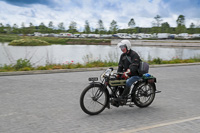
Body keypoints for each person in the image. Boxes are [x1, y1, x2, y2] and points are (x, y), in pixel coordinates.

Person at [116, 40, 141, 105]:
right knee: (116, 80)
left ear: (127, 47)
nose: (122, 49)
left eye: (123, 47)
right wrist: (118, 74)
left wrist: (127, 72)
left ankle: (123, 97)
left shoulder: (134, 55)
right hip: (127, 73)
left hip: (136, 74)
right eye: (121, 47)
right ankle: (118, 94)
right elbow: (120, 66)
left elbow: (134, 66)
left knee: (128, 82)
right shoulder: (122, 55)